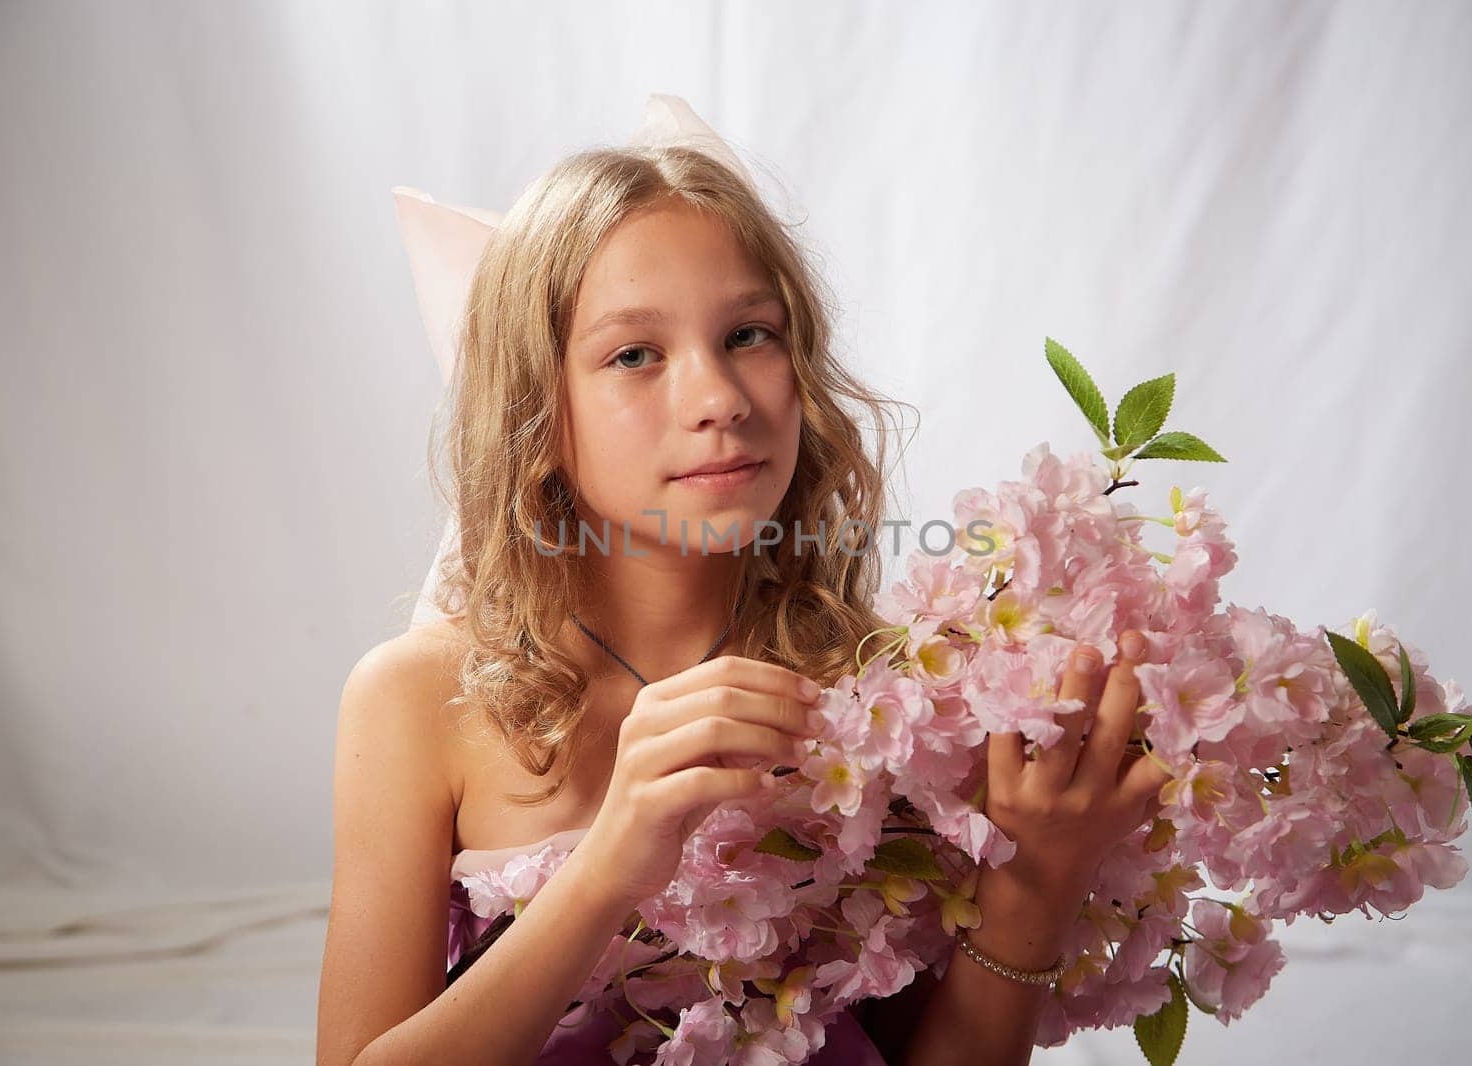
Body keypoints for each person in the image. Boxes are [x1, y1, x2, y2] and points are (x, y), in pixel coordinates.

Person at [315, 143, 1167, 1066]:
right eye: (634, 354)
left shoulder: (885, 700)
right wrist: (609, 867)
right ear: (537, 411)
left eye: (749, 335)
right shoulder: (418, 701)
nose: (718, 398)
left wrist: (1037, 884)